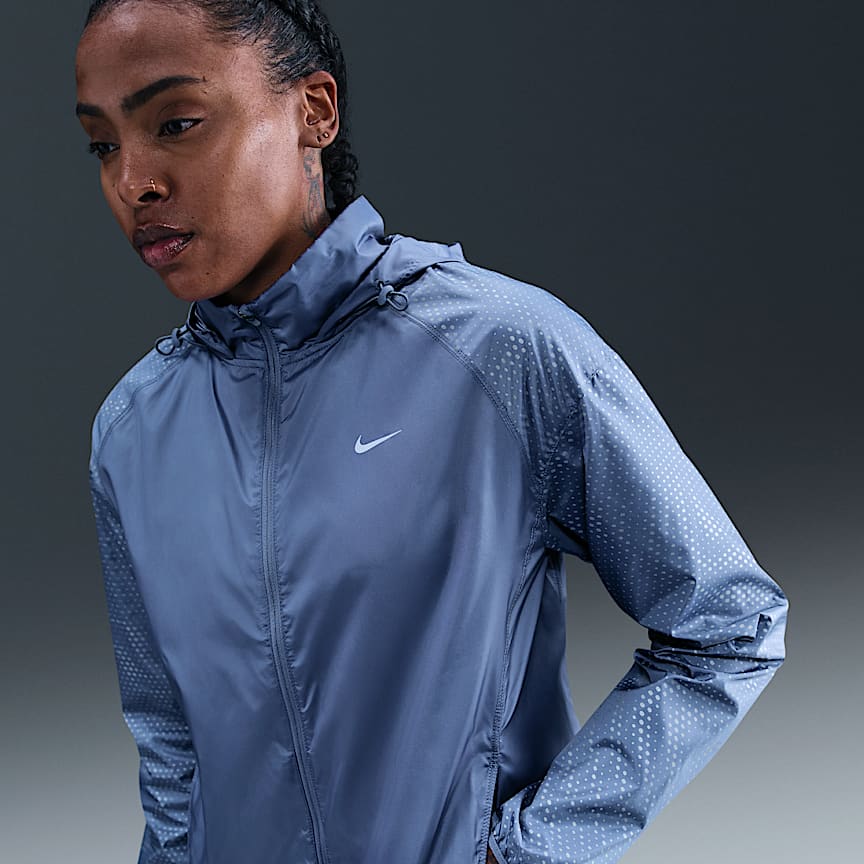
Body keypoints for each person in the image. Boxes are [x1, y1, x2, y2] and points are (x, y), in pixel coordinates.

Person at [76, 2, 789, 863]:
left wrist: (527, 850)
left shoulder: (502, 351)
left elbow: (728, 624)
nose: (134, 182)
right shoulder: (132, 430)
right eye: (103, 145)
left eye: (175, 123)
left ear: (314, 111)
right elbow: (171, 745)